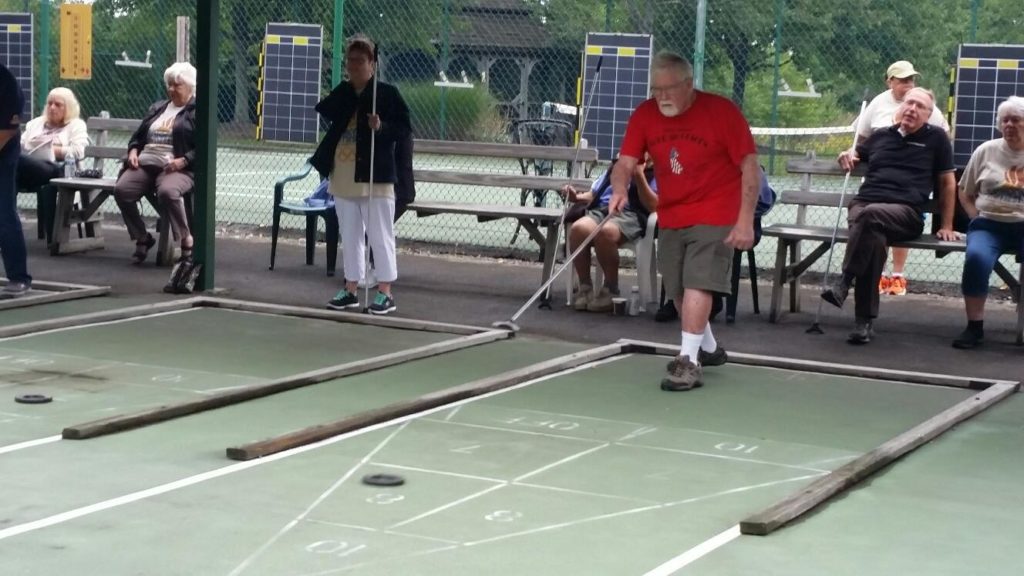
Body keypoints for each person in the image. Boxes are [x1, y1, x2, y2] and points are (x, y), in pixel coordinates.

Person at [610, 51, 760, 391]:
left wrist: (745, 220)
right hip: (673, 212)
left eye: (669, 89)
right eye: (655, 89)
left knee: (698, 282)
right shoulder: (645, 115)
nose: (661, 97)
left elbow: (750, 167)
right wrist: (619, 189)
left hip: (718, 210)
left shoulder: (721, 112)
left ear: (688, 84)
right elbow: (625, 161)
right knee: (677, 288)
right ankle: (706, 348)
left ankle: (688, 361)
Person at [821, 87, 956, 344]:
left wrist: (947, 223)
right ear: (900, 107)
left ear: (929, 115)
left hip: (905, 213)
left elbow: (948, 183)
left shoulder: (936, 139)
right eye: (909, 103)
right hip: (865, 206)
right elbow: (856, 154)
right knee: (873, 240)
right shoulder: (881, 136)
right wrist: (847, 155)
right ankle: (864, 323)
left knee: (870, 217)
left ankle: (845, 280)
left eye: (920, 107)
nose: (912, 109)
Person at [312, 34, 411, 315]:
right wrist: (344, 99)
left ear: (372, 63)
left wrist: (380, 127)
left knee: (380, 235)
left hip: (374, 176)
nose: (353, 66)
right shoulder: (344, 92)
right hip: (343, 175)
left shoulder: (386, 94)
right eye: (350, 60)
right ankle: (351, 288)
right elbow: (326, 111)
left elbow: (403, 130)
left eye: (360, 61)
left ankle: (385, 292)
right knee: (351, 235)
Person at [855, 60, 950, 297]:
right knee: (872, 224)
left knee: (874, 217)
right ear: (890, 82)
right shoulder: (878, 104)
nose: (909, 84)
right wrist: (853, 153)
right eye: (903, 80)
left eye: (912, 79)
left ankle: (889, 276)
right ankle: (873, 280)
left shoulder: (929, 109)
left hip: (907, 195)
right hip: (876, 187)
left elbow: (942, 144)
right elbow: (861, 140)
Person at [951, 96, 1024, 349]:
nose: (1009, 125)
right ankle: (974, 327)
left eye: (1016, 120)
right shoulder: (986, 151)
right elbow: (964, 190)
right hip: (988, 224)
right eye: (1005, 120)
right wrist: (975, 217)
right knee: (976, 259)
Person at [113, 62, 197, 265]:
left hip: (177, 168)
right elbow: (138, 137)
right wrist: (133, 151)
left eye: (177, 85)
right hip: (145, 163)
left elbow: (204, 147)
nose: (171, 89)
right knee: (122, 190)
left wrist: (184, 160)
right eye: (169, 85)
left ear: (190, 87)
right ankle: (143, 237)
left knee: (168, 192)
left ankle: (186, 239)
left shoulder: (196, 112)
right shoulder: (158, 108)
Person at [564, 157, 657, 312]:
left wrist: (639, 175)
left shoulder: (658, 172)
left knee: (605, 232)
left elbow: (653, 205)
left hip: (631, 213)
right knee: (578, 229)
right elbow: (595, 194)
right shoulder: (617, 166)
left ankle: (610, 289)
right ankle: (585, 288)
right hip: (603, 209)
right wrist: (576, 197)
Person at [0, 63, 32, 298]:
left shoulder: (6, 83)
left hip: (3, 150)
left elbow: (7, 131)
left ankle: (19, 278)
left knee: (3, 212)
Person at [17, 87, 88, 190]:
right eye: (49, 103)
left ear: (69, 107)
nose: (52, 107)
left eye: (58, 104)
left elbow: (78, 151)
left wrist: (49, 149)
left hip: (60, 169)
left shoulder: (76, 125)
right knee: (12, 164)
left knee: (15, 161)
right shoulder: (35, 123)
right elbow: (20, 144)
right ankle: (7, 205)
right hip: (30, 169)